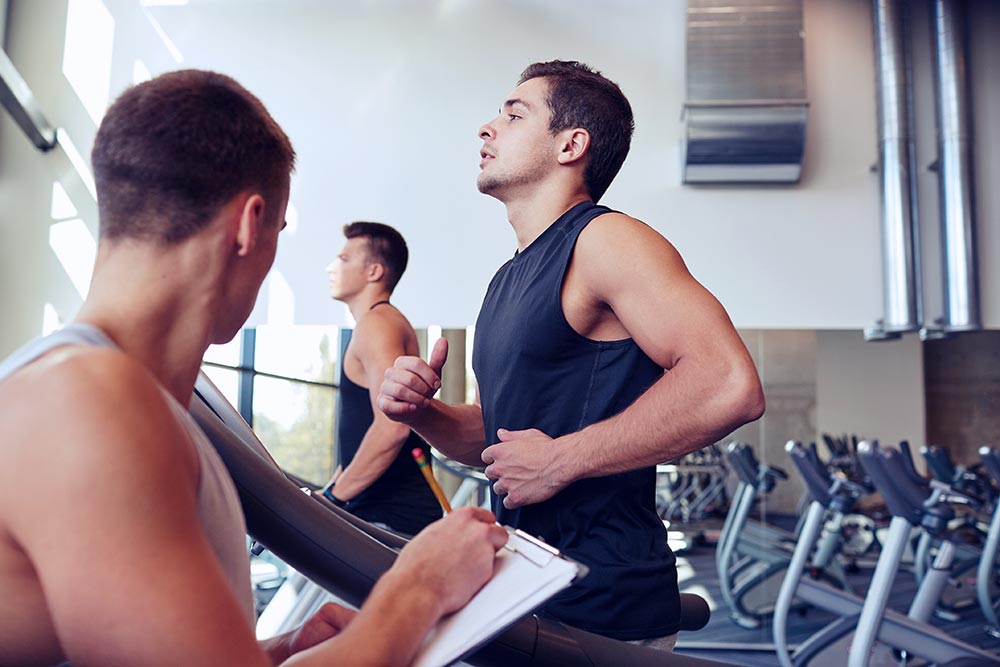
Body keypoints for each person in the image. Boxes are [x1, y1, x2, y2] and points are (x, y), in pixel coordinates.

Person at [0, 69, 508, 667]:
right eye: (280, 232)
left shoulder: (101, 392)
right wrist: (419, 586)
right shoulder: (91, 404)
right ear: (248, 225)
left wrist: (277, 651)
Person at [378, 60, 765, 648]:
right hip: (523, 587)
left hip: (603, 600)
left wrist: (562, 460)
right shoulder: (508, 278)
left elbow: (728, 383)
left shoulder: (605, 241)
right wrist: (421, 413)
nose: (487, 128)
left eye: (513, 114)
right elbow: (494, 435)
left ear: (571, 144)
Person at [320, 222, 441, 535]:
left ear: (374, 271)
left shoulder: (377, 324)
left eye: (344, 259)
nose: (330, 267)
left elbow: (393, 425)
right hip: (380, 514)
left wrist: (333, 499)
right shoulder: (379, 322)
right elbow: (361, 433)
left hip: (392, 520)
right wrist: (331, 488)